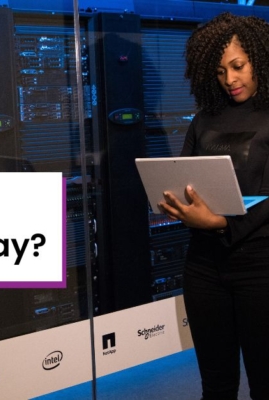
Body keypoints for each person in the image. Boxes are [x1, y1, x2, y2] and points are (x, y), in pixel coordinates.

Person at [157, 12, 269, 400]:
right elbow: (183, 174)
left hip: (261, 266)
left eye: (238, 66)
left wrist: (221, 221)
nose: (230, 80)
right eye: (220, 71)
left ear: (260, 58)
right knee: (216, 386)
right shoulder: (205, 118)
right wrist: (173, 202)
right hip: (203, 267)